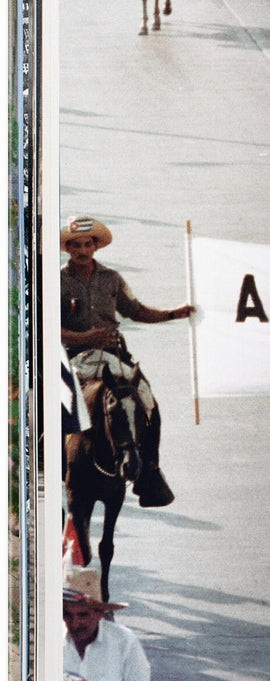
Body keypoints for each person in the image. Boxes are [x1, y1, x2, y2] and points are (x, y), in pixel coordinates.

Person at [61, 216, 192, 507]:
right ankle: (50, 454)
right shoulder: (57, 280)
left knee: (147, 400)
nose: (83, 250)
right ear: (68, 249)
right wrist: (85, 337)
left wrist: (173, 314)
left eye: (87, 244)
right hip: (72, 357)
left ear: (96, 246)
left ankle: (150, 471)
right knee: (57, 401)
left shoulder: (112, 279)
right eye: (76, 246)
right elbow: (48, 327)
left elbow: (136, 310)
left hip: (113, 355)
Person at [63, 565, 151, 681]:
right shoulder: (51, 641)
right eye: (67, 615)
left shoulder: (125, 642)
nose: (74, 624)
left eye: (83, 615)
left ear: (99, 614)